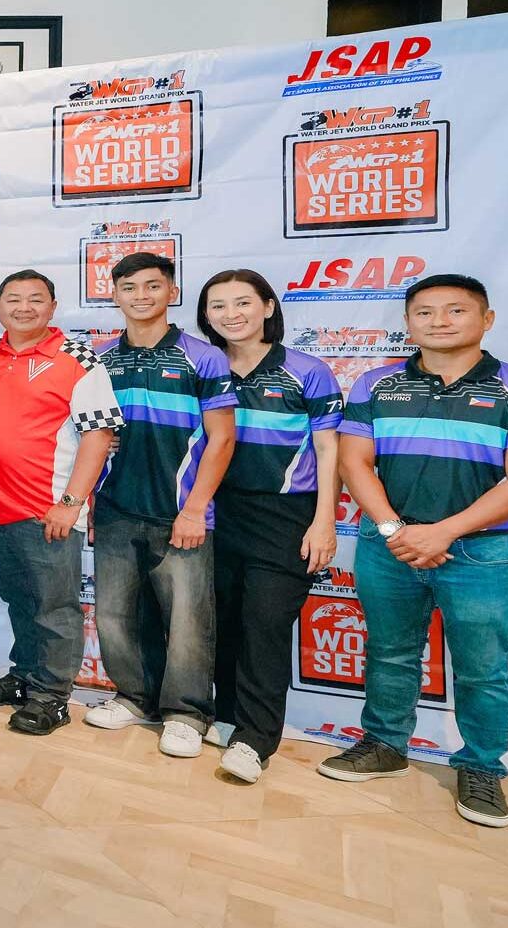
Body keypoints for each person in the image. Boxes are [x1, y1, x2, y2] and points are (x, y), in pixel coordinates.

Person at [324, 273, 508, 829]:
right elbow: (354, 462)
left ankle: (482, 768)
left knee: (483, 667)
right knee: (390, 650)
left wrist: (444, 532)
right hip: (388, 544)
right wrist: (394, 529)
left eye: (455, 311)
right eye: (425, 312)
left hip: (484, 551)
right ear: (408, 322)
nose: (439, 321)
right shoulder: (375, 384)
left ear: (485, 320)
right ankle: (385, 745)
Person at [0, 271, 124, 735]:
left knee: (55, 607)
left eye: (36, 299)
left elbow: (99, 432)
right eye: (13, 299)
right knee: (19, 601)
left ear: (52, 307)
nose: (24, 307)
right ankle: (25, 678)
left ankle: (52, 697)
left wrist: (70, 503)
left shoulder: (76, 357)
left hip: (49, 509)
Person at [86, 251, 238, 758]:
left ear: (171, 292)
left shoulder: (203, 357)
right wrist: (87, 502)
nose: (141, 296)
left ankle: (186, 713)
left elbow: (221, 440)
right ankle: (134, 699)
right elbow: (92, 437)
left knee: (189, 622)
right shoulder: (102, 359)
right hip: (114, 508)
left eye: (153, 286)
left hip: (181, 514)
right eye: (129, 288)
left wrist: (195, 510)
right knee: (114, 616)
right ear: (114, 295)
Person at [193, 270, 339, 784]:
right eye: (218, 306)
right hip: (214, 510)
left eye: (242, 303)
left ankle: (255, 741)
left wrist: (325, 522)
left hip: (285, 516)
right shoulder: (204, 365)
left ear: (269, 307)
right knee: (224, 619)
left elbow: (328, 449)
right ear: (204, 314)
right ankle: (228, 715)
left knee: (265, 626)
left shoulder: (308, 371)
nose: (231, 314)